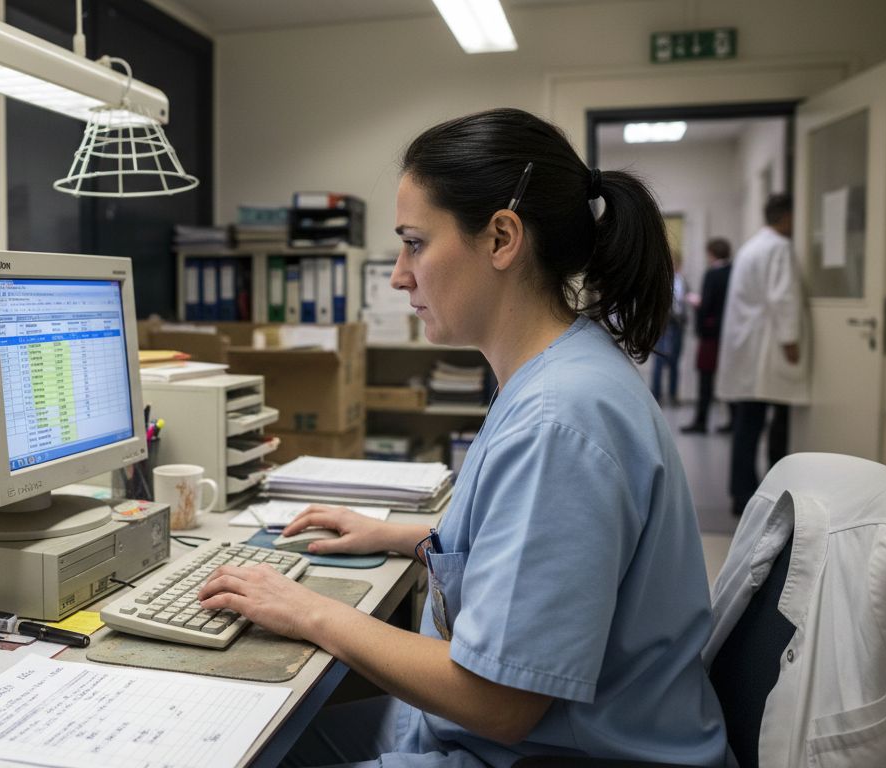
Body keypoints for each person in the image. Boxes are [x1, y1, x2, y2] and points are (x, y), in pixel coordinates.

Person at [198, 108, 727, 766]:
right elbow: (530, 550)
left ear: (502, 237)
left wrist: (305, 609)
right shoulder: (558, 372)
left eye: (415, 243)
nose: (398, 275)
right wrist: (405, 536)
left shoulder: (559, 421)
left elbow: (496, 702)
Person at [714, 193, 807, 516]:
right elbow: (782, 297)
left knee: (747, 426)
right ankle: (771, 496)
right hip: (764, 350)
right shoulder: (778, 247)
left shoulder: (752, 246)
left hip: (748, 349)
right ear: (785, 216)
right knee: (766, 425)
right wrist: (790, 340)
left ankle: (742, 495)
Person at [682, 238, 733, 434]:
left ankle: (701, 421)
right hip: (728, 334)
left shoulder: (712, 274)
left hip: (711, 334)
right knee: (728, 377)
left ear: (712, 253)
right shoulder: (733, 272)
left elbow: (707, 304)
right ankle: (733, 421)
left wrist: (698, 306)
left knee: (705, 378)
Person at [649, 250, 687, 403]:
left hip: (677, 324)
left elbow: (683, 302)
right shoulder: (658, 281)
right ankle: (656, 395)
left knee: (675, 361)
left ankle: (673, 395)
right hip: (662, 324)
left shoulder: (682, 281)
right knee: (659, 360)